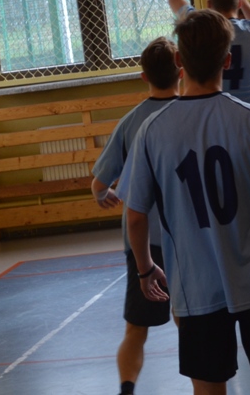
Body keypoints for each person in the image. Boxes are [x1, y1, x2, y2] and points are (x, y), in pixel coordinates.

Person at [124, 9, 250, 395]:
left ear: (179, 60)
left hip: (196, 287)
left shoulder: (152, 131)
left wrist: (145, 269)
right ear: (227, 60)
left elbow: (137, 216)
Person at [91, 37, 181, 395]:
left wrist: (104, 195)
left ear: (144, 76)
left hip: (143, 242)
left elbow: (99, 182)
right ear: (181, 70)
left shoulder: (130, 123)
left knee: (135, 329)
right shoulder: (192, 112)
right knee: (192, 319)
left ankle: (127, 389)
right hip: (187, 235)